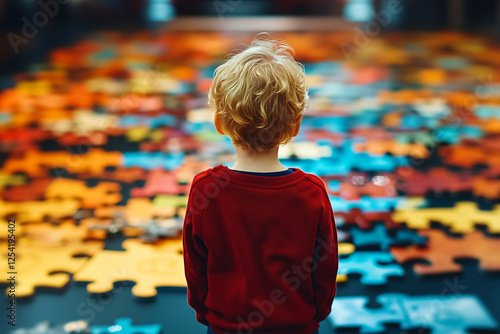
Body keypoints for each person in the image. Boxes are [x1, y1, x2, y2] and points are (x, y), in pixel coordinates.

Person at [182, 34, 339, 334]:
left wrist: (206, 312)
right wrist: (316, 313)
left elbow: (196, 265)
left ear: (219, 123)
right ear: (295, 125)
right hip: (298, 327)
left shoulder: (205, 189)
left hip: (226, 327)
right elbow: (325, 267)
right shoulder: (311, 192)